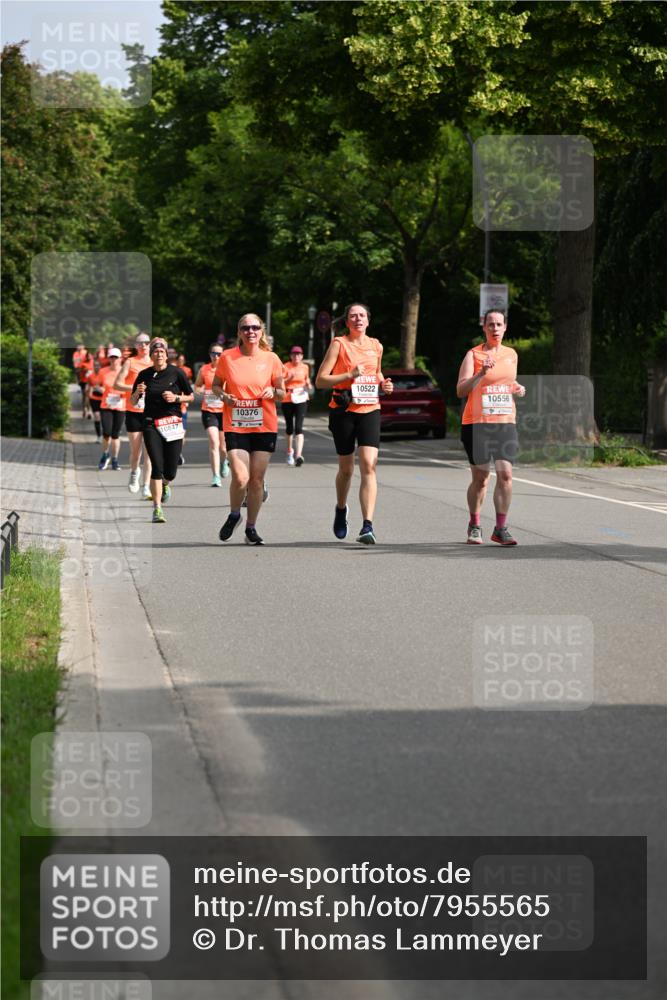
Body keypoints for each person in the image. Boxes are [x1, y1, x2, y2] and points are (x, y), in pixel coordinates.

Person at [316, 302, 393, 544]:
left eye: (362, 315)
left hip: (370, 409)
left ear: (368, 320)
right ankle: (341, 508)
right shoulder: (339, 344)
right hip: (344, 410)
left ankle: (367, 526)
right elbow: (321, 380)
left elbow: (377, 373)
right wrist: (349, 375)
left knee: (369, 464)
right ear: (347, 321)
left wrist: (384, 384)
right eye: (353, 316)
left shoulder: (376, 345)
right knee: (347, 469)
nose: (358, 319)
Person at [212, 314, 285, 545]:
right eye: (245, 328)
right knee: (241, 477)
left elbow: (282, 392)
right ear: (239, 332)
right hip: (236, 425)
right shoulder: (227, 357)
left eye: (255, 327)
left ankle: (251, 528)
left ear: (261, 331)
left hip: (264, 426)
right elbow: (215, 385)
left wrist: (273, 392)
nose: (250, 331)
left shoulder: (271, 358)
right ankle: (235, 515)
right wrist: (225, 396)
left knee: (256, 480)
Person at [456, 309, 526, 546]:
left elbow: (506, 382)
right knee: (481, 478)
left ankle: (500, 528)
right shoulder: (473, 354)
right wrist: (480, 373)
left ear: (505, 327)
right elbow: (461, 390)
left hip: (505, 422)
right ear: (484, 327)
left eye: (499, 324)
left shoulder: (511, 354)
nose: (495, 328)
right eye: (491, 324)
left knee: (506, 475)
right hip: (477, 424)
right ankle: (474, 524)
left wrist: (516, 388)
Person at [129, 338, 193, 523]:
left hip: (172, 423)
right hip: (151, 424)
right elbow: (133, 401)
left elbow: (190, 396)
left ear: (166, 355)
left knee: (170, 471)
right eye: (156, 352)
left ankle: (165, 483)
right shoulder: (144, 375)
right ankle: (157, 509)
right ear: (151, 355)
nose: (159, 354)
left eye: (162, 352)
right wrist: (137, 392)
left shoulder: (177, 373)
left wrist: (176, 398)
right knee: (156, 466)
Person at [114, 332, 153, 497]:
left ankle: (146, 485)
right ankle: (134, 472)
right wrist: (134, 388)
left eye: (146, 342)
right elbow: (117, 384)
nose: (143, 345)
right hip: (134, 411)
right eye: (140, 343)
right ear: (136, 346)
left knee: (149, 451)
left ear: (150, 345)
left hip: (151, 411)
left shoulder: (155, 362)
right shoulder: (130, 362)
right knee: (136, 451)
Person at [194, 343, 230, 486]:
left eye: (219, 354)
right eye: (213, 353)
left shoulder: (228, 369)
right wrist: (201, 391)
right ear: (210, 355)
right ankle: (216, 476)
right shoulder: (204, 369)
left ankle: (224, 461)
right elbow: (197, 386)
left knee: (223, 447)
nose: (216, 356)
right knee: (214, 442)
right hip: (209, 411)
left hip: (225, 411)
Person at [282, 345, 312, 466]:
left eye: (299, 354)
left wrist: (308, 384)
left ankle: (298, 455)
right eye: (294, 354)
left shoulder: (305, 367)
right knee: (289, 428)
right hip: (288, 398)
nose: (296, 357)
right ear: (291, 356)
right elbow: (280, 383)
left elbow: (307, 379)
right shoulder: (285, 366)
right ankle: (290, 451)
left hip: (301, 398)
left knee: (299, 428)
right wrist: (289, 379)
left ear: (302, 356)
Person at [97, 348, 126, 471]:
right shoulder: (103, 371)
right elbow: (97, 385)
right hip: (106, 405)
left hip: (120, 405)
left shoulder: (125, 371)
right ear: (109, 358)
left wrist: (123, 393)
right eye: (112, 357)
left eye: (116, 357)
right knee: (106, 432)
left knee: (115, 434)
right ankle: (105, 455)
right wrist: (102, 390)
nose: (114, 360)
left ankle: (115, 459)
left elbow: (130, 387)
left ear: (120, 359)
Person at [176, 354, 193, 466]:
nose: (181, 361)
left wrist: (186, 398)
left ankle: (178, 452)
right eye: (179, 360)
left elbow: (189, 383)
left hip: (182, 407)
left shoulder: (187, 370)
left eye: (182, 360)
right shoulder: (172, 370)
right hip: (173, 408)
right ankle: (175, 453)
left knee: (182, 434)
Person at [86, 358, 104, 443]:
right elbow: (88, 388)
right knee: (97, 416)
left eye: (98, 365)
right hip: (93, 398)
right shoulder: (90, 376)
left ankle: (106, 434)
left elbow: (107, 387)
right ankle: (99, 436)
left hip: (103, 399)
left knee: (104, 418)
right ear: (93, 366)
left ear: (100, 366)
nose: (96, 367)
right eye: (95, 365)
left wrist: (100, 389)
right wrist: (87, 409)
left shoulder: (104, 375)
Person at [76, 349, 94, 419]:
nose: (89, 357)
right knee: (84, 396)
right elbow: (78, 371)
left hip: (90, 382)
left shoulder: (92, 362)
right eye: (88, 356)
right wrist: (83, 371)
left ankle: (89, 411)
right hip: (83, 381)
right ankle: (84, 409)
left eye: (90, 356)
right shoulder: (83, 363)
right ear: (86, 356)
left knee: (89, 396)